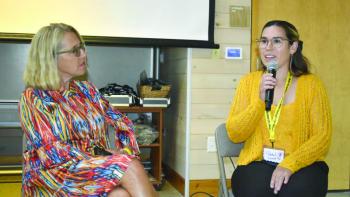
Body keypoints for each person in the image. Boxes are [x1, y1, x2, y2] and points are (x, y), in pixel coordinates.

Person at [19, 23, 157, 197]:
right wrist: (103, 156)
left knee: (120, 194)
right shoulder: (33, 98)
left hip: (90, 168)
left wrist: (126, 151)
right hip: (54, 176)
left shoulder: (87, 90)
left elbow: (121, 121)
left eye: (82, 48)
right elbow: (53, 152)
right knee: (130, 167)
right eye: (75, 51)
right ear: (50, 57)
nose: (83, 55)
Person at [226, 20, 332, 197]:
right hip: (258, 162)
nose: (268, 47)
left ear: (293, 47)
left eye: (276, 41)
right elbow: (235, 133)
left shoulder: (312, 85)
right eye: (264, 41)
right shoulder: (248, 82)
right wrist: (259, 101)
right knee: (254, 191)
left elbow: (322, 137)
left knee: (297, 191)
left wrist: (290, 164)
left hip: (303, 163)